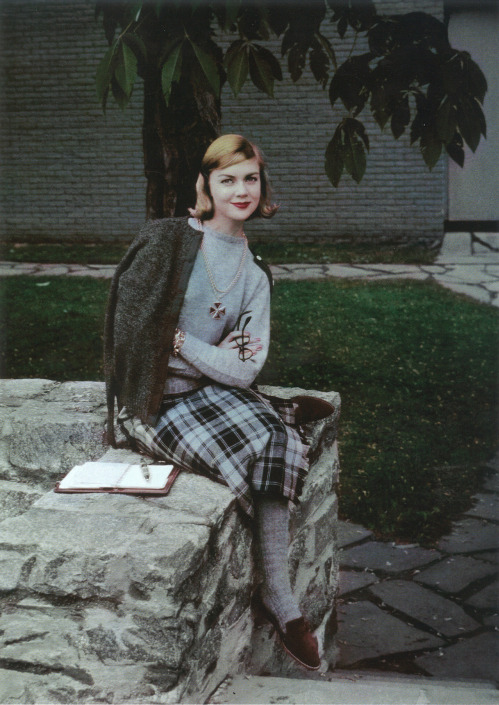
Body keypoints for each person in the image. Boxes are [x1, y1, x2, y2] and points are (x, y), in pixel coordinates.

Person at [104, 134, 332, 670]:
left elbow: (246, 367)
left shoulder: (254, 276)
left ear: (262, 186)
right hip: (152, 403)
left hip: (209, 393)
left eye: (250, 178)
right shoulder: (167, 242)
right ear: (204, 186)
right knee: (250, 454)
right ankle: (281, 410)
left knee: (277, 444)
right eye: (227, 179)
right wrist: (199, 350)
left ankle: (279, 599)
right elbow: (133, 340)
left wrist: (180, 346)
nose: (241, 189)